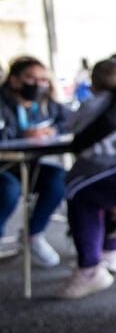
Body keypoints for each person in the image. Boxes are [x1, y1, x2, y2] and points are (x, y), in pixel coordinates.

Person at [60, 58, 116, 298]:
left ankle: (89, 266)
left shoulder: (90, 105)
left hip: (100, 169)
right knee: (106, 198)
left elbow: (70, 127)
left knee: (76, 191)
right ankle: (111, 250)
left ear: (92, 84)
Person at [0, 56, 70, 266]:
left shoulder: (45, 104)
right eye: (31, 78)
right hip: (4, 166)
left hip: (28, 165)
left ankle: (33, 234)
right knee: (8, 189)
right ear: (14, 80)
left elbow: (72, 120)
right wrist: (23, 134)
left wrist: (52, 130)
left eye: (42, 79)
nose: (37, 84)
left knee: (59, 179)